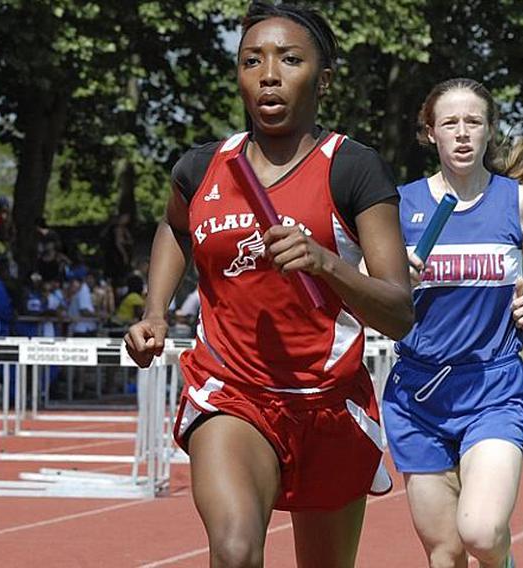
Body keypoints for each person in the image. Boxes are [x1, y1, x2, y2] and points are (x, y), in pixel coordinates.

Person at [124, 3, 413, 565]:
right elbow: (176, 228)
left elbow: (400, 312)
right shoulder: (203, 168)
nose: (269, 74)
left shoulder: (352, 168)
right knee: (234, 552)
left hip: (326, 402)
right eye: (252, 60)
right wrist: (155, 310)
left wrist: (325, 263)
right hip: (231, 393)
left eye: (289, 59)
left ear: (322, 79)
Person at [384, 78, 523, 568]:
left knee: (483, 534)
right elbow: (364, 295)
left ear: (489, 131)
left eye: (474, 122)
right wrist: (391, 278)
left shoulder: (519, 203)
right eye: (450, 123)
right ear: (430, 133)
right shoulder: (399, 207)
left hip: (492, 386)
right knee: (445, 553)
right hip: (417, 395)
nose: (462, 133)